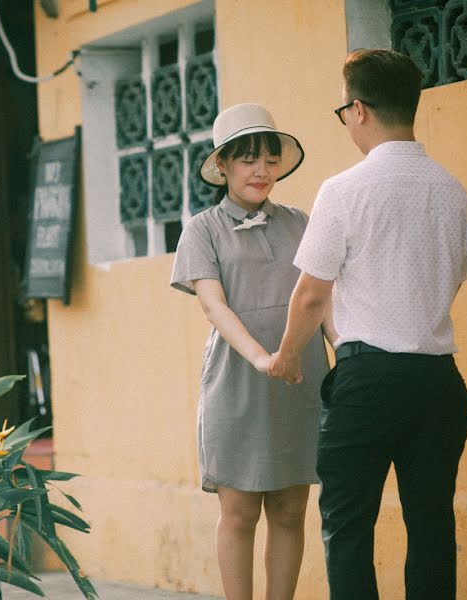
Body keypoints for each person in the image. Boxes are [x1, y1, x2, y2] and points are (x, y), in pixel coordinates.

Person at [269, 49, 467, 599]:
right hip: (440, 382)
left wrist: (287, 355)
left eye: (343, 113)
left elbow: (312, 294)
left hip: (368, 383)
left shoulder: (343, 191)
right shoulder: (454, 193)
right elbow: (449, 284)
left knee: (349, 526)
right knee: (432, 526)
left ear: (358, 110)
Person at [170, 103, 331, 600]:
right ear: (222, 166)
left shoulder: (302, 222)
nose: (261, 170)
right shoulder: (202, 229)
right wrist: (263, 358)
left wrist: (346, 352)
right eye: (247, 159)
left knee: (289, 510)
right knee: (239, 513)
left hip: (301, 380)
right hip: (237, 382)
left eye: (269, 159)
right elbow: (213, 306)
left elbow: (321, 298)